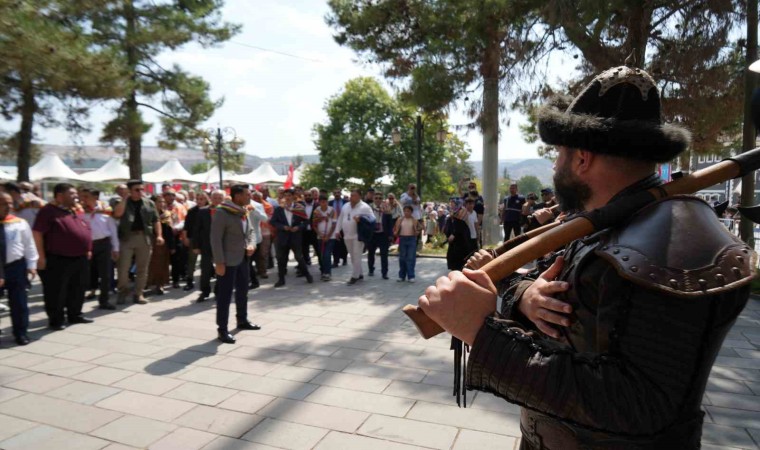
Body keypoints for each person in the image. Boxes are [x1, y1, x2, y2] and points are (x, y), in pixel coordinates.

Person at [417, 65, 751, 448]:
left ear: (582, 158)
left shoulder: (675, 240)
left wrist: (482, 332)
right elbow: (550, 285)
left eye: (559, 153)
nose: (554, 165)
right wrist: (524, 296)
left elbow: (637, 403)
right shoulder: (599, 220)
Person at [32, 183, 93, 329]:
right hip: (58, 258)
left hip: (80, 257)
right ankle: (56, 320)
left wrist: (88, 248)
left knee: (78, 287)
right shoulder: (47, 211)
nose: (76, 196)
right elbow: (37, 233)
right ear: (59, 196)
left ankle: (75, 314)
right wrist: (41, 257)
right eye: (71, 194)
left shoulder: (73, 209)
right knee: (56, 291)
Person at [211, 184, 260, 344]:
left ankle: (242, 320)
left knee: (243, 292)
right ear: (237, 196)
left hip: (243, 259)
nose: (250, 197)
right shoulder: (222, 212)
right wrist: (219, 262)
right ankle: (222, 330)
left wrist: (251, 244)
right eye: (247, 194)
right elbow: (215, 239)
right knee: (224, 296)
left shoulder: (243, 211)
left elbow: (251, 231)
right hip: (227, 261)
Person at [113, 180, 163, 305]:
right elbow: (117, 214)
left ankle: (139, 293)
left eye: (142, 189)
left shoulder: (149, 203)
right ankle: (122, 292)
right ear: (129, 190)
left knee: (142, 268)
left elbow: (156, 220)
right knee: (123, 268)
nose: (140, 192)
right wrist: (125, 198)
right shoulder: (121, 202)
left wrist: (159, 235)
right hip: (127, 238)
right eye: (137, 190)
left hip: (144, 237)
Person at [0, 193, 38, 345]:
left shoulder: (20, 223)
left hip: (16, 266)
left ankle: (21, 333)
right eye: (3, 203)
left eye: (10, 203)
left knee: (19, 302)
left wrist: (32, 264)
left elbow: (29, 244)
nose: (8, 206)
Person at [80, 188, 119, 310]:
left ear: (95, 197)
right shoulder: (79, 210)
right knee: (85, 273)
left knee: (105, 274)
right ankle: (80, 300)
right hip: (86, 245)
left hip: (103, 244)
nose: (83, 199)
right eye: (82, 196)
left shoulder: (106, 210)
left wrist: (116, 248)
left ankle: (104, 300)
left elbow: (112, 229)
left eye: (86, 196)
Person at [270, 188, 314, 287]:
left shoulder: (299, 207)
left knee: (299, 257)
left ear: (293, 196)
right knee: (281, 259)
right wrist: (282, 227)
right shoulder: (279, 208)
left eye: (289, 195)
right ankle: (281, 279)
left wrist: (298, 227)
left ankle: (307, 275)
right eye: (286, 196)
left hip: (295, 236)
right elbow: (273, 221)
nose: (287, 198)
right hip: (283, 236)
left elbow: (306, 221)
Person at [334, 189, 374, 285]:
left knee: (357, 255)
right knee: (352, 256)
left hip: (358, 235)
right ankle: (360, 273)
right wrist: (337, 230)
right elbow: (340, 218)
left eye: (354, 195)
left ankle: (354, 276)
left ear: (359, 196)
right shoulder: (345, 206)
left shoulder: (365, 207)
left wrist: (361, 219)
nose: (351, 197)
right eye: (351, 195)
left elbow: (372, 220)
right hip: (347, 235)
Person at [193, 189, 223, 302]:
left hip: (222, 245)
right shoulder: (203, 211)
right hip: (206, 244)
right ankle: (204, 291)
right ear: (210, 198)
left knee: (221, 269)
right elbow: (197, 229)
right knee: (205, 269)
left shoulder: (227, 211)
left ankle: (218, 291)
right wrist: (196, 246)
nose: (217, 200)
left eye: (220, 198)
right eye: (215, 198)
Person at [146, 195, 175, 296]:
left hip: (162, 242)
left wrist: (172, 246)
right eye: (159, 202)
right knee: (150, 264)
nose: (162, 204)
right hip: (149, 240)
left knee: (162, 264)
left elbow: (169, 231)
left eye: (163, 202)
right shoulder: (148, 214)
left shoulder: (166, 214)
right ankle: (148, 283)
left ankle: (160, 284)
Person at [183, 191, 209, 291]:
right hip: (194, 239)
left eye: (201, 199)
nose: (199, 201)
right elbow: (186, 226)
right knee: (191, 261)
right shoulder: (192, 211)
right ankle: (189, 280)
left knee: (207, 262)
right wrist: (185, 237)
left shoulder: (211, 209)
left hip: (207, 239)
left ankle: (206, 282)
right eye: (197, 199)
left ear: (206, 199)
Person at [367, 191, 393, 279]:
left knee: (384, 254)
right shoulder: (369, 208)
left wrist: (390, 235)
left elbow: (390, 223)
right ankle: (371, 269)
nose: (378, 200)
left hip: (383, 234)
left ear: (382, 199)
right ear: (373, 199)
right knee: (371, 253)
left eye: (380, 198)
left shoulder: (386, 208)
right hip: (372, 234)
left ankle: (384, 273)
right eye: (376, 198)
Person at [444, 198, 474, 271]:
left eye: (453, 203)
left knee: (460, 258)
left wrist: (454, 234)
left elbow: (461, 225)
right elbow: (450, 222)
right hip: (453, 241)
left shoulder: (463, 211)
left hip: (461, 238)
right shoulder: (452, 211)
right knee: (452, 257)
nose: (451, 205)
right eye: (450, 203)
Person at [313, 193, 336, 281]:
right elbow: (314, 224)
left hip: (330, 236)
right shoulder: (316, 211)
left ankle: (328, 273)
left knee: (327, 254)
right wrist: (319, 234)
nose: (324, 203)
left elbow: (334, 224)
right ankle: (324, 271)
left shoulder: (332, 210)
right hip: (320, 237)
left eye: (325, 201)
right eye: (322, 202)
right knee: (322, 255)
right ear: (319, 202)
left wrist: (328, 236)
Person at [393, 205, 420, 283]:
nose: (406, 213)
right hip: (402, 239)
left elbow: (419, 228)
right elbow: (395, 228)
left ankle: (411, 276)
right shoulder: (400, 220)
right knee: (402, 258)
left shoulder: (414, 220)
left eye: (408, 211)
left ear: (411, 212)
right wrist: (395, 233)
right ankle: (401, 276)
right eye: (405, 211)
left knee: (410, 258)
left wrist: (417, 232)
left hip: (411, 239)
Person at [329, 189, 348, 267]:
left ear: (340, 193)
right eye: (335, 193)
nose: (337, 194)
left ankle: (344, 259)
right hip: (334, 225)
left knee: (344, 243)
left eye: (338, 192)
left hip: (344, 225)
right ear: (333, 194)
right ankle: (336, 261)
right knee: (335, 244)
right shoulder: (330, 203)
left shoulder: (346, 202)